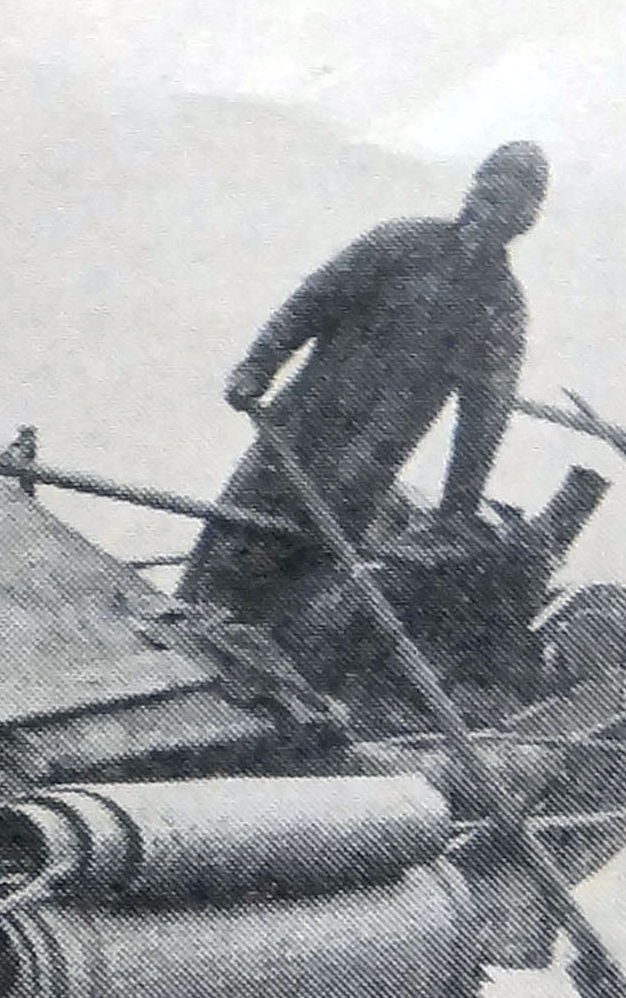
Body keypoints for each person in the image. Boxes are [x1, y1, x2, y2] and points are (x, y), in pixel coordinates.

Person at [178, 142, 549, 670]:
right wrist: (257, 367)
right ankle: (185, 627)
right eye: (488, 198)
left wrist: (459, 506)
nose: (490, 217)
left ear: (522, 224)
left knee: (303, 570)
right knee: (235, 536)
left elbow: (484, 417)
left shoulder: (499, 307)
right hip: (299, 428)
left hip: (366, 464)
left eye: (507, 211)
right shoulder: (401, 244)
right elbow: (312, 302)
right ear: (472, 192)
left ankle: (246, 667)